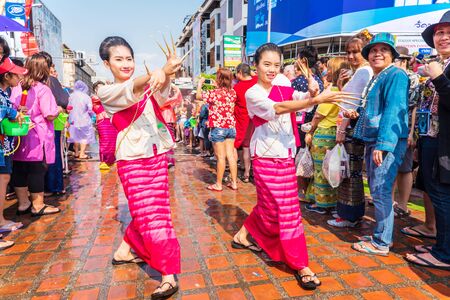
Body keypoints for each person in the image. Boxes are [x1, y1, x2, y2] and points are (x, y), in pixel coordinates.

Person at [232, 43, 352, 290]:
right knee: (288, 212)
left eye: (276, 65)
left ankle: (242, 235)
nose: (272, 69)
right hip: (265, 157)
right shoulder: (252, 93)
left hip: (286, 153)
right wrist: (316, 98)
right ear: (256, 66)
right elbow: (278, 108)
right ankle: (300, 264)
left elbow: (300, 102)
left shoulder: (284, 84)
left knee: (270, 206)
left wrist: (311, 93)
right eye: (267, 64)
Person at [96, 36, 182, 299]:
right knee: (153, 216)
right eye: (118, 59)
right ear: (106, 63)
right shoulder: (106, 91)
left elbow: (165, 95)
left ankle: (125, 251)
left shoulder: (148, 82)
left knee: (154, 211)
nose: (126, 63)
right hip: (132, 159)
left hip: (155, 154)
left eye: (129, 58)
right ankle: (168, 275)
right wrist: (156, 74)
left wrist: (165, 75)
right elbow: (131, 91)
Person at [351, 33, 409, 256]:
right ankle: (382, 235)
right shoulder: (378, 77)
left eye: (384, 50)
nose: (377, 54)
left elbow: (394, 110)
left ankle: (381, 242)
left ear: (392, 55)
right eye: (373, 50)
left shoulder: (395, 75)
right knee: (378, 189)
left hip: (384, 142)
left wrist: (384, 144)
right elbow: (376, 109)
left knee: (381, 191)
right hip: (375, 140)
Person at [405, 11, 450, 270]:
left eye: (448, 33)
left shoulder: (440, 69)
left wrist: (439, 78)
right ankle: (439, 243)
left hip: (444, 141)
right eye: (439, 32)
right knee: (435, 192)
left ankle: (444, 254)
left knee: (443, 196)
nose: (443, 37)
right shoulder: (440, 63)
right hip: (430, 138)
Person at [328, 29, 374, 228]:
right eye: (348, 52)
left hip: (350, 128)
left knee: (348, 172)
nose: (351, 56)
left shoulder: (364, 71)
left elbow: (351, 104)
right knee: (351, 171)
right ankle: (350, 214)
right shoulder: (362, 71)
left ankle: (349, 215)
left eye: (356, 51)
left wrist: (341, 130)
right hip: (352, 127)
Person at [12, 53, 63, 217]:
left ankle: (23, 203)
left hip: (19, 135)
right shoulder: (42, 89)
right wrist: (58, 111)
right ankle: (38, 205)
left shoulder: (16, 86)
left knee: (19, 169)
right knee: (36, 170)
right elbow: (49, 114)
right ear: (44, 69)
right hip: (37, 136)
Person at [305, 57, 348, 213]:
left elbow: (318, 115)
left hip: (324, 134)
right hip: (334, 133)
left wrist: (310, 131)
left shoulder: (332, 91)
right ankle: (329, 201)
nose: (325, 71)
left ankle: (321, 203)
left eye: (329, 69)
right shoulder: (343, 90)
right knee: (331, 169)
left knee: (321, 170)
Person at [0, 58, 27, 246]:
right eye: (17, 74)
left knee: (4, 179)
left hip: (5, 145)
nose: (20, 78)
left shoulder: (5, 93)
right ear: (7, 75)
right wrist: (12, 113)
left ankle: (1, 220)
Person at [196, 69, 238, 191]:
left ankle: (219, 184)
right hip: (230, 127)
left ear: (218, 79)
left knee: (220, 157)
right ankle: (234, 183)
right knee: (230, 156)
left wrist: (200, 84)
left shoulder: (214, 93)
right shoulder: (233, 93)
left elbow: (198, 96)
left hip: (218, 127)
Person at [392, 46, 421, 217]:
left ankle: (403, 205)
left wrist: (411, 133)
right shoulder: (392, 76)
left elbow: (415, 107)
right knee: (392, 167)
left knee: (405, 167)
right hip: (393, 127)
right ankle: (391, 201)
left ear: (402, 60)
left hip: (405, 128)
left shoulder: (413, 78)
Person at [42, 51, 69, 196]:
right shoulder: (44, 80)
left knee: (51, 154)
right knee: (51, 154)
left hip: (51, 123)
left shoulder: (49, 81)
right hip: (47, 124)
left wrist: (56, 109)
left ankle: (53, 186)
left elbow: (64, 101)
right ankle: (54, 185)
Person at [233, 63, 257, 183]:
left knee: (241, 147)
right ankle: (253, 172)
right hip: (256, 120)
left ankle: (245, 173)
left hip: (242, 120)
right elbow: (255, 75)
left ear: (240, 73)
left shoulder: (237, 88)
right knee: (253, 147)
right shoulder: (257, 82)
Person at [91, 81, 117, 170]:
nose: (101, 89)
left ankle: (112, 160)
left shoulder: (109, 97)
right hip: (102, 122)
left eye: (103, 87)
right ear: (95, 90)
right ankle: (104, 161)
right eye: (99, 88)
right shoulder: (95, 98)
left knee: (113, 141)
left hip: (111, 121)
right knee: (105, 141)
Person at [68, 80, 96, 159]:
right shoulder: (86, 97)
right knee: (84, 137)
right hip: (84, 120)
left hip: (73, 120)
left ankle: (76, 152)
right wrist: (92, 116)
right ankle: (82, 154)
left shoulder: (71, 96)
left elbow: (69, 107)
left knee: (75, 136)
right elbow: (90, 109)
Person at [158, 83, 182, 167]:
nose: (168, 93)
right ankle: (166, 160)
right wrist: (176, 89)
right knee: (166, 140)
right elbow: (175, 98)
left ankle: (168, 160)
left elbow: (178, 100)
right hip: (162, 123)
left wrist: (176, 90)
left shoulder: (166, 100)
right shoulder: (160, 100)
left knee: (169, 141)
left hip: (166, 122)